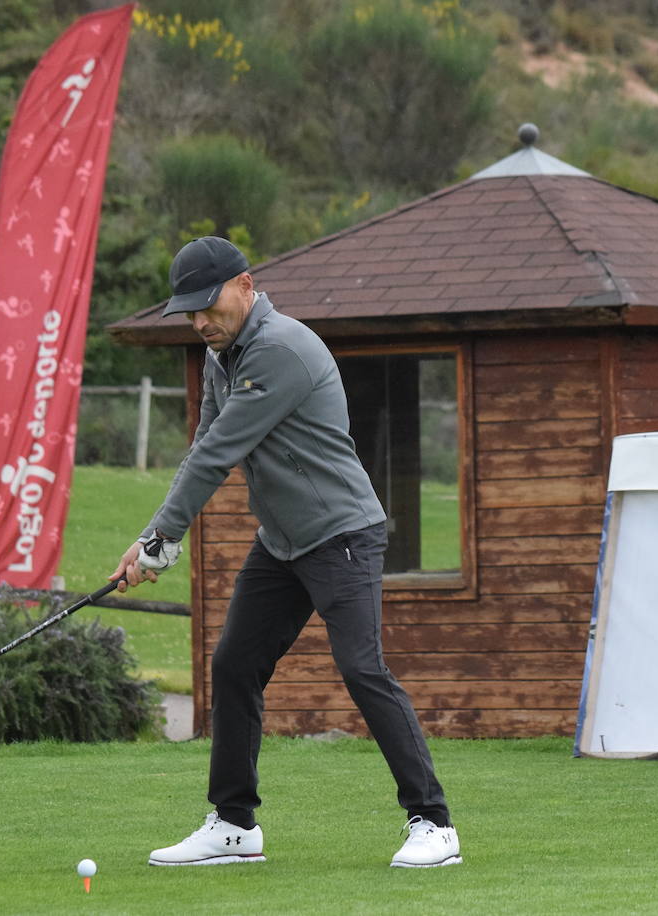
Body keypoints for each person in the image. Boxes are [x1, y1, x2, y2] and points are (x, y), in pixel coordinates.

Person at [111, 236, 461, 869]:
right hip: (283, 543)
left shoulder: (279, 349)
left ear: (246, 285)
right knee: (236, 662)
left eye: (207, 306)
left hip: (343, 537)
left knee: (361, 669)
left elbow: (220, 452)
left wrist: (160, 537)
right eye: (189, 311)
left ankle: (433, 822)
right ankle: (234, 825)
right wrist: (153, 541)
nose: (198, 322)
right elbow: (204, 447)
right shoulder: (224, 353)